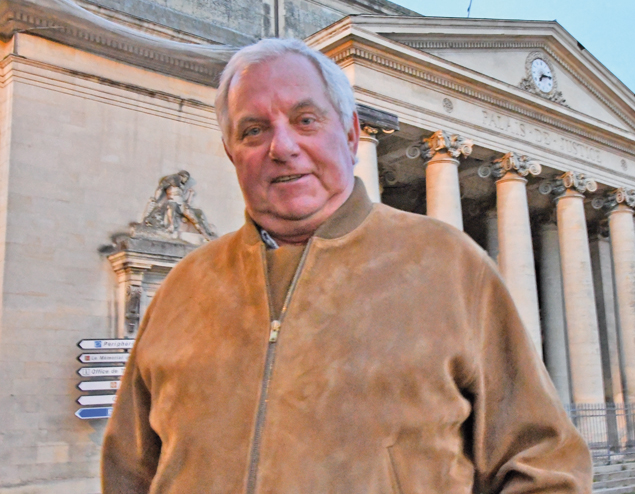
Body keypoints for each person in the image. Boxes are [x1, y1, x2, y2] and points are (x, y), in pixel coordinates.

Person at [101, 38, 592, 494]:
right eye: (254, 130)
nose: (283, 147)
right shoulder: (185, 287)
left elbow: (545, 463)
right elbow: (129, 470)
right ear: (232, 153)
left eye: (306, 120)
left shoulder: (446, 264)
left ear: (352, 133)